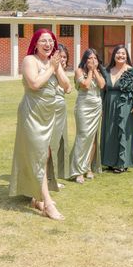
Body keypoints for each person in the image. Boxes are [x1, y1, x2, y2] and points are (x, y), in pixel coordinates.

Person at [9, 29, 71, 221]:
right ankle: (48, 203)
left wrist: (57, 67)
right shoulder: (30, 60)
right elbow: (34, 84)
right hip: (32, 114)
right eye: (43, 41)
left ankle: (37, 198)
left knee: (42, 156)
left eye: (51, 41)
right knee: (37, 155)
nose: (48, 44)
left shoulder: (53, 61)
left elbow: (67, 86)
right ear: (36, 43)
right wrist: (52, 68)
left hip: (48, 114)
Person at [100, 45, 133, 173]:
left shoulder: (132, 72)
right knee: (110, 132)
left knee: (123, 131)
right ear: (113, 55)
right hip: (108, 105)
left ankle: (122, 163)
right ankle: (109, 161)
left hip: (125, 105)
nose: (121, 56)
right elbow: (103, 90)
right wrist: (101, 106)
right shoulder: (107, 70)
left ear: (127, 56)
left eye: (123, 54)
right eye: (118, 53)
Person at [68, 48, 105, 183]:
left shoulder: (98, 71)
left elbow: (101, 85)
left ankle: (88, 167)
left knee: (93, 138)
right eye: (89, 58)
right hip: (84, 107)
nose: (92, 60)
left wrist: (95, 70)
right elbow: (85, 85)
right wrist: (90, 71)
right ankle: (78, 170)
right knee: (83, 137)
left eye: (95, 58)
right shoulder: (79, 71)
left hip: (96, 107)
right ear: (85, 59)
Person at [51, 43, 72, 185]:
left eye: (64, 57)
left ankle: (56, 175)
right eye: (60, 56)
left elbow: (68, 89)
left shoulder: (62, 73)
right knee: (51, 143)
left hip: (61, 111)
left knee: (60, 142)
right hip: (51, 111)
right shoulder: (50, 71)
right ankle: (50, 177)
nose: (63, 59)